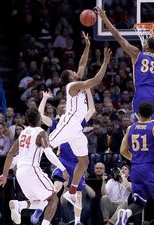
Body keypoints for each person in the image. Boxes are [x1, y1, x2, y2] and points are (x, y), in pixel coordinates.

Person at [95, 7, 154, 168]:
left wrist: (104, 18)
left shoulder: (137, 54)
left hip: (142, 94)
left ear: (146, 45)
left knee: (141, 125)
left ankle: (151, 156)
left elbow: (118, 36)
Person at [49, 32, 111, 208]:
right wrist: (105, 63)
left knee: (84, 162)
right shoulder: (73, 85)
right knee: (45, 145)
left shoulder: (77, 81)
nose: (76, 71)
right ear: (70, 77)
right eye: (72, 72)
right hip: (68, 123)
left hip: (76, 128)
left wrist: (88, 46)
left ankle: (72, 192)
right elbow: (97, 79)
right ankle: (22, 161)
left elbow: (82, 63)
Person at [0, 109, 69, 225]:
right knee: (53, 197)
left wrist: (5, 174)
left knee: (42, 200)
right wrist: (62, 168)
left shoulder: (23, 133)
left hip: (20, 172)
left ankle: (20, 205)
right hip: (32, 169)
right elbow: (49, 153)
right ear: (40, 119)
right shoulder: (41, 133)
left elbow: (10, 153)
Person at [38, 89, 95, 225]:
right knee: (56, 187)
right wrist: (45, 98)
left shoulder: (78, 123)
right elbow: (40, 116)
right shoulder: (57, 125)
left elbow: (91, 109)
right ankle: (39, 209)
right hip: (62, 160)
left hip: (76, 163)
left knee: (78, 194)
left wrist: (88, 91)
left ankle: (77, 221)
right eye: (64, 109)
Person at [116, 102, 154, 225]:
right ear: (152, 113)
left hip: (135, 168)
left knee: (140, 202)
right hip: (151, 167)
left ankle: (126, 213)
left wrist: (135, 159)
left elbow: (122, 151)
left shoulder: (131, 128)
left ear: (138, 114)